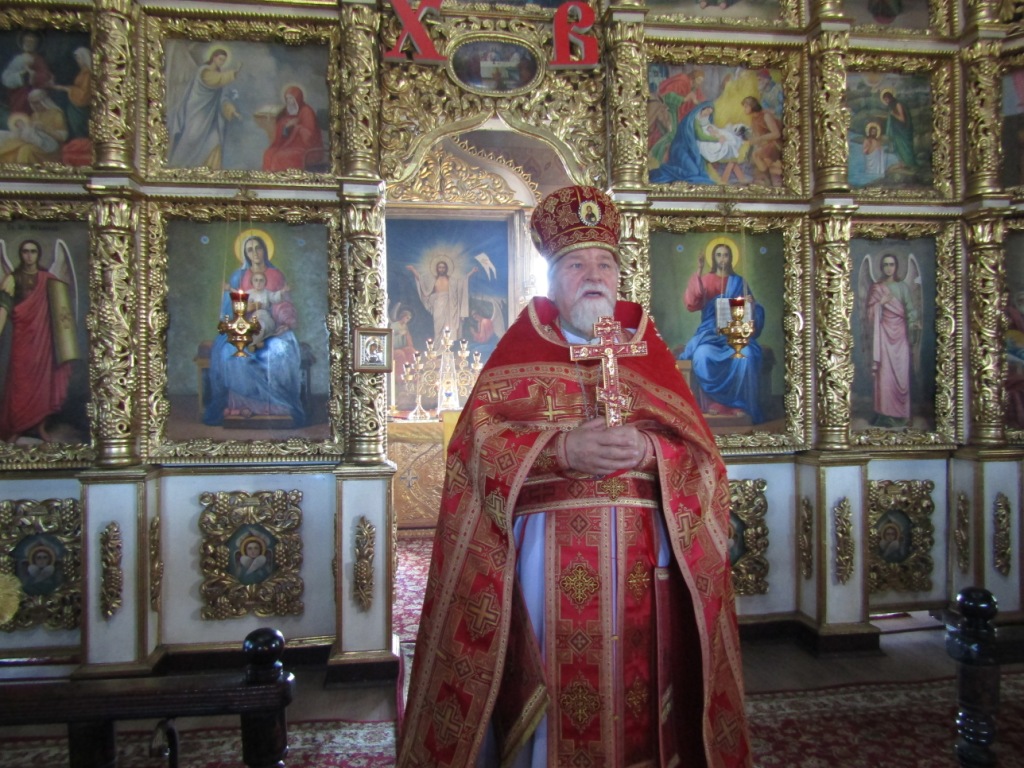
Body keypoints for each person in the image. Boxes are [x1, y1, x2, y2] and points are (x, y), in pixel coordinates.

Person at [397, 186, 751, 768]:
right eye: (576, 265)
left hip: (645, 565)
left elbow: (702, 460)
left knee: (642, 691)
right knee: (553, 698)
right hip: (544, 562)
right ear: (552, 279)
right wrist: (560, 448)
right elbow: (476, 452)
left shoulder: (648, 353)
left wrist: (649, 450)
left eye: (604, 264)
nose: (594, 276)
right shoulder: (520, 352)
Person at [204, 233, 306, 426]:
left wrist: (286, 322)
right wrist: (237, 303)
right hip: (245, 326)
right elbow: (231, 306)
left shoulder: (276, 275)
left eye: (258, 248)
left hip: (273, 328)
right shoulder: (238, 276)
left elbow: (283, 303)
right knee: (229, 352)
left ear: (264, 250)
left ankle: (277, 407)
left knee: (279, 352)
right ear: (245, 254)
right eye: (250, 250)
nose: (255, 253)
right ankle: (242, 406)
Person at [0, 239, 80, 442]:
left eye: (33, 251)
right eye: (25, 251)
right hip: (22, 339)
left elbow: (61, 307)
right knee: (20, 383)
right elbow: (5, 306)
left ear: (38, 254)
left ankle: (40, 427)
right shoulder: (12, 279)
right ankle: (17, 427)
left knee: (43, 382)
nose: (29, 256)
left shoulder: (48, 279)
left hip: (44, 341)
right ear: (21, 254)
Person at [681, 239, 765, 423]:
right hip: (710, 334)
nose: (722, 259)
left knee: (747, 354)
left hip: (735, 334)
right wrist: (699, 270)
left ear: (731, 258)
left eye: (726, 255)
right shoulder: (706, 280)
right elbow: (692, 303)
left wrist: (751, 305)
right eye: (718, 255)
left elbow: (753, 312)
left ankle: (739, 404)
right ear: (713, 258)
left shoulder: (739, 282)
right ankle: (714, 403)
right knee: (702, 355)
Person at [865, 252, 919, 428]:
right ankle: (884, 414)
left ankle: (902, 414)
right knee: (884, 374)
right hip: (883, 334)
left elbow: (910, 309)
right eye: (886, 265)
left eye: (892, 264)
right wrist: (880, 303)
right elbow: (869, 313)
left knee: (901, 374)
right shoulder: (877, 288)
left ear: (896, 267)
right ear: (882, 267)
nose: (889, 268)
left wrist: (913, 322)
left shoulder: (902, 287)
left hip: (900, 334)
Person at [167, 47, 241, 168]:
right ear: (214, 58)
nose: (222, 62)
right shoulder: (204, 71)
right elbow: (214, 80)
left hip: (212, 117)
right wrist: (233, 73)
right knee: (192, 138)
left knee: (215, 140)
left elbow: (223, 97)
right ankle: (180, 166)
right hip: (198, 111)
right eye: (220, 59)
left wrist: (230, 109)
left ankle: (211, 172)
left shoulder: (219, 75)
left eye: (224, 60)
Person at [406, 257, 478, 340]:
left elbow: (463, 281)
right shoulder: (433, 280)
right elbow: (421, 280)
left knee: (449, 324)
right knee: (438, 324)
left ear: (446, 269)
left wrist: (472, 272)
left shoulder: (452, 280)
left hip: (450, 305)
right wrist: (413, 270)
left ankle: (448, 344)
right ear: (437, 269)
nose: (441, 269)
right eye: (440, 267)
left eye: (443, 267)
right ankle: (438, 343)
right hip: (438, 304)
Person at [261, 85, 324, 172]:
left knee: (280, 157)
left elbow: (310, 136)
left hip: (306, 148)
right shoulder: (288, 111)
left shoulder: (307, 111)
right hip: (289, 145)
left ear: (298, 98)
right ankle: (269, 178)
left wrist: (296, 126)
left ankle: (282, 179)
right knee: (268, 154)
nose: (289, 101)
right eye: (287, 99)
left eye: (291, 98)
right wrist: (285, 126)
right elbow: (284, 130)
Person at [0, 88, 68, 164]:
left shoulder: (56, 114)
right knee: (12, 145)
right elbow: (30, 131)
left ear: (44, 101)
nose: (34, 106)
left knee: (26, 150)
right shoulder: (35, 115)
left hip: (51, 149)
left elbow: (63, 137)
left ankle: (25, 170)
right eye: (32, 103)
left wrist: (45, 129)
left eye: (36, 103)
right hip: (36, 142)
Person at [1, 30, 53, 117]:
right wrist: (20, 77)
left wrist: (33, 76)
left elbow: (44, 75)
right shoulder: (17, 59)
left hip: (33, 94)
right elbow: (6, 76)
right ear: (23, 42)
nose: (29, 44)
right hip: (17, 94)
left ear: (36, 44)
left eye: (32, 42)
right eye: (27, 41)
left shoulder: (39, 60)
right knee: (18, 115)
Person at [743, 96, 783, 187]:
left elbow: (776, 134)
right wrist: (753, 141)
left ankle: (770, 178)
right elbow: (758, 136)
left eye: (746, 106)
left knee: (758, 155)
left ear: (752, 106)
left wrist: (760, 139)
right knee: (756, 157)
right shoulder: (754, 119)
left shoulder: (765, 115)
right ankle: (769, 178)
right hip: (767, 143)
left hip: (776, 143)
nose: (744, 109)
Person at [245, 269, 288, 350]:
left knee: (262, 326)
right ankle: (256, 342)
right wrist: (252, 306)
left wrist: (282, 291)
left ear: (265, 283)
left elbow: (275, 298)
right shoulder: (249, 293)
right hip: (254, 317)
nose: (258, 283)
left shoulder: (267, 293)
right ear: (252, 282)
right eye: (256, 280)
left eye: (261, 280)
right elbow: (243, 304)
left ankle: (253, 343)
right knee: (251, 327)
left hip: (265, 317)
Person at [882, 89, 916, 171]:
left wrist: (893, 114)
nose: (886, 102)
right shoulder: (891, 106)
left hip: (902, 131)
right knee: (897, 147)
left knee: (904, 147)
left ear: (890, 98)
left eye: (886, 99)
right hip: (896, 130)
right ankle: (901, 163)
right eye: (885, 100)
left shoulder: (898, 104)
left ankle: (908, 163)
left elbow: (902, 119)